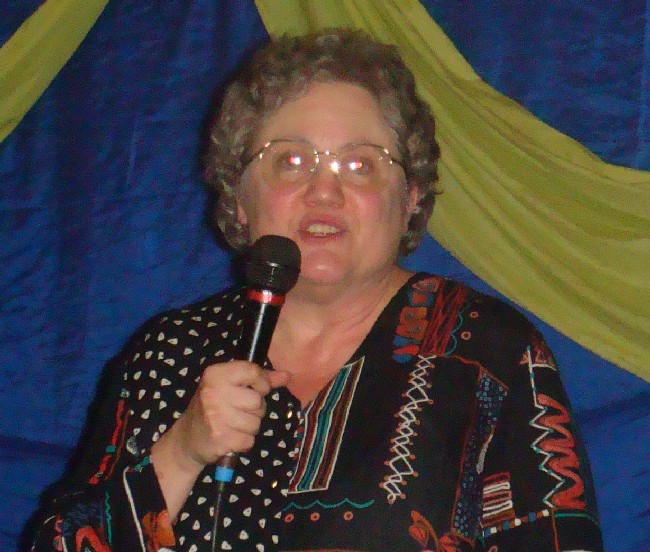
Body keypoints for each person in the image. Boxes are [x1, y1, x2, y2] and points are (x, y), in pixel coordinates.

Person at [31, 28, 603, 552]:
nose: (323, 192)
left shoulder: (488, 350)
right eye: (291, 161)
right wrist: (181, 452)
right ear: (238, 196)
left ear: (410, 197)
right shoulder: (168, 352)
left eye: (361, 165)